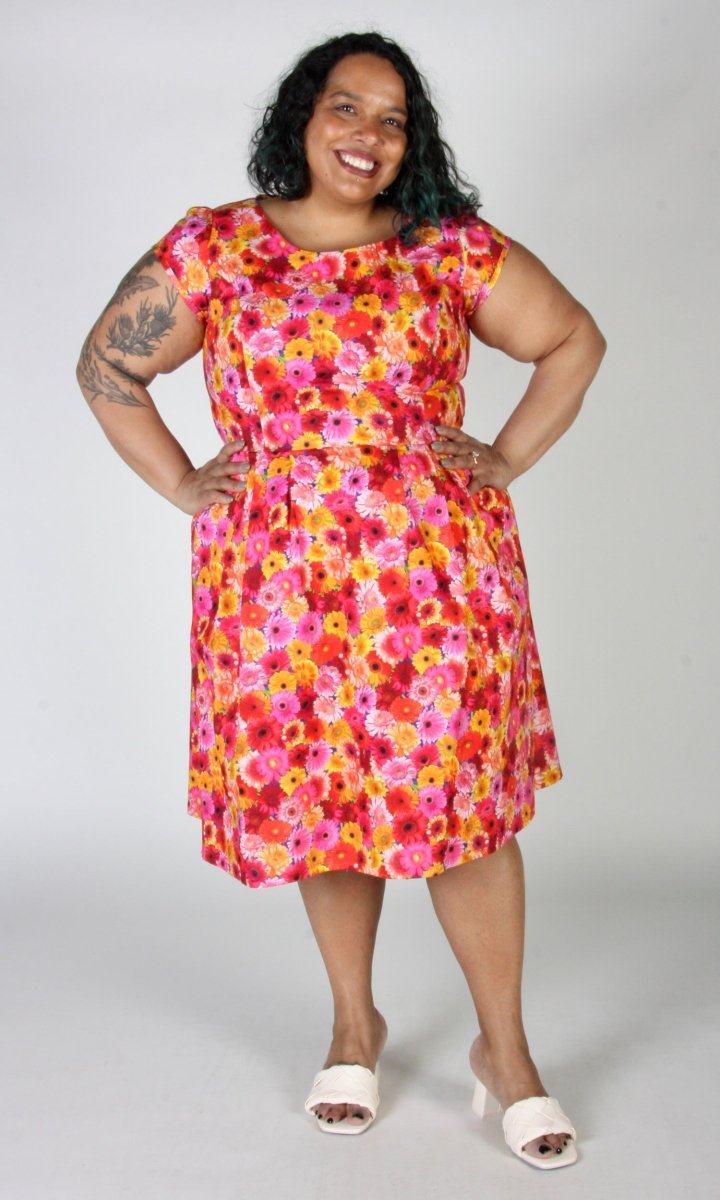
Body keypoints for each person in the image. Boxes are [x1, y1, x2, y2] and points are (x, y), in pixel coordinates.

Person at [77, 31, 605, 1169]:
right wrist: (182, 483)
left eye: (394, 119)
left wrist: (504, 459)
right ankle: (354, 1026)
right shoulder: (216, 248)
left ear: (413, 144)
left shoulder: (445, 249)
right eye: (347, 107)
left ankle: (506, 1054)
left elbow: (571, 339)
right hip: (279, 590)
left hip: (436, 583)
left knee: (465, 812)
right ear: (303, 118)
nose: (369, 134)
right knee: (323, 802)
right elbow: (107, 366)